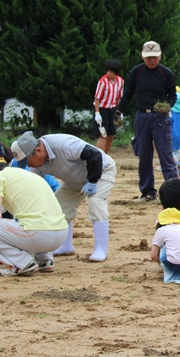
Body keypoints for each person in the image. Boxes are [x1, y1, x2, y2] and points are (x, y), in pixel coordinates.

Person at [11, 131, 116, 262]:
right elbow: (32, 185)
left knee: (96, 202)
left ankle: (101, 248)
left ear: (38, 151)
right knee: (58, 208)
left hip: (101, 172)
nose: (29, 165)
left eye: (28, 161)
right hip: (73, 180)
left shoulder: (65, 145)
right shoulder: (36, 165)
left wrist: (93, 181)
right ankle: (65, 246)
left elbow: (94, 155)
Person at [116, 41, 178, 202]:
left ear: (160, 56)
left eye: (155, 57)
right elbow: (128, 93)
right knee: (144, 155)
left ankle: (174, 192)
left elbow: (172, 95)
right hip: (142, 116)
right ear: (143, 57)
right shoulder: (136, 72)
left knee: (166, 154)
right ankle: (148, 191)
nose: (152, 61)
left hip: (160, 117)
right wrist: (118, 110)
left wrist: (167, 106)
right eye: (149, 58)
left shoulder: (166, 73)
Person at [0, 156, 68, 276]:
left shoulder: (1, 177)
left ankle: (22, 263)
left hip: (38, 234)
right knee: (27, 219)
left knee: (23, 222)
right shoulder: (26, 174)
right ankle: (44, 259)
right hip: (61, 233)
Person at [93, 58, 124, 154]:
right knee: (103, 134)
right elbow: (97, 98)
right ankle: (97, 157)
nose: (109, 73)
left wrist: (119, 111)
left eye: (111, 71)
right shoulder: (103, 81)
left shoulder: (121, 82)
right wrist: (97, 113)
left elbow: (119, 97)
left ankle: (104, 157)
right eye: (108, 71)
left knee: (111, 135)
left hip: (112, 109)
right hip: (102, 109)